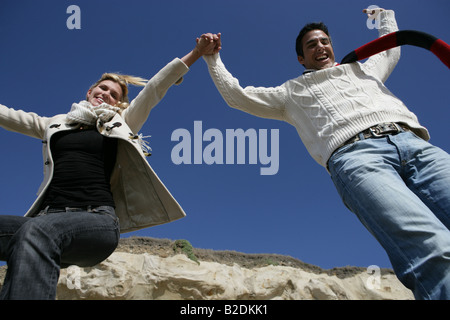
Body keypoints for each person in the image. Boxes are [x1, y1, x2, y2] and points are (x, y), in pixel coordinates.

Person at [201, 9, 450, 300]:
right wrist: (212, 58)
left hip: (414, 142)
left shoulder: (363, 69)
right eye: (311, 45)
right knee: (432, 248)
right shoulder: (290, 92)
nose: (320, 46)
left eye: (324, 41)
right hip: (358, 158)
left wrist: (385, 16)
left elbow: (391, 47)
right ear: (301, 59)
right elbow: (237, 96)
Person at [0, 34, 220, 300]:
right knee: (31, 233)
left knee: (34, 231)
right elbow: (9, 116)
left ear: (119, 103)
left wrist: (196, 53)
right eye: (102, 89)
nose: (106, 95)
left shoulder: (121, 123)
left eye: (113, 94)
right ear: (89, 92)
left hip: (96, 220)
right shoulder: (54, 124)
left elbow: (154, 89)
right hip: (47, 217)